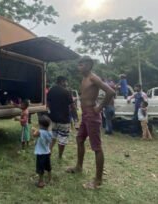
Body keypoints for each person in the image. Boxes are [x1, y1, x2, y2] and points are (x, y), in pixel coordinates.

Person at [66, 56, 115, 189]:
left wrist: (100, 107)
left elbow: (110, 92)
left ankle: (98, 181)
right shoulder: (84, 78)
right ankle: (78, 167)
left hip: (92, 115)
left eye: (82, 63)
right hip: (85, 115)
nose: (79, 66)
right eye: (79, 64)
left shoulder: (93, 78)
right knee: (79, 139)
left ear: (89, 65)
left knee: (96, 147)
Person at [48, 76, 75, 159]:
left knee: (53, 137)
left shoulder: (51, 90)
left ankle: (48, 152)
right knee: (62, 139)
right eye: (66, 82)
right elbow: (72, 106)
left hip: (53, 118)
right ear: (62, 81)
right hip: (64, 120)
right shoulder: (66, 92)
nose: (66, 84)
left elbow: (48, 103)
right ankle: (60, 156)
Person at [32, 115, 52, 188]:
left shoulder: (40, 132)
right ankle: (50, 179)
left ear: (40, 124)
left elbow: (34, 135)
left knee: (40, 169)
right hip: (47, 152)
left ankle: (41, 182)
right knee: (48, 167)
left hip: (41, 154)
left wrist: (34, 130)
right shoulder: (49, 132)